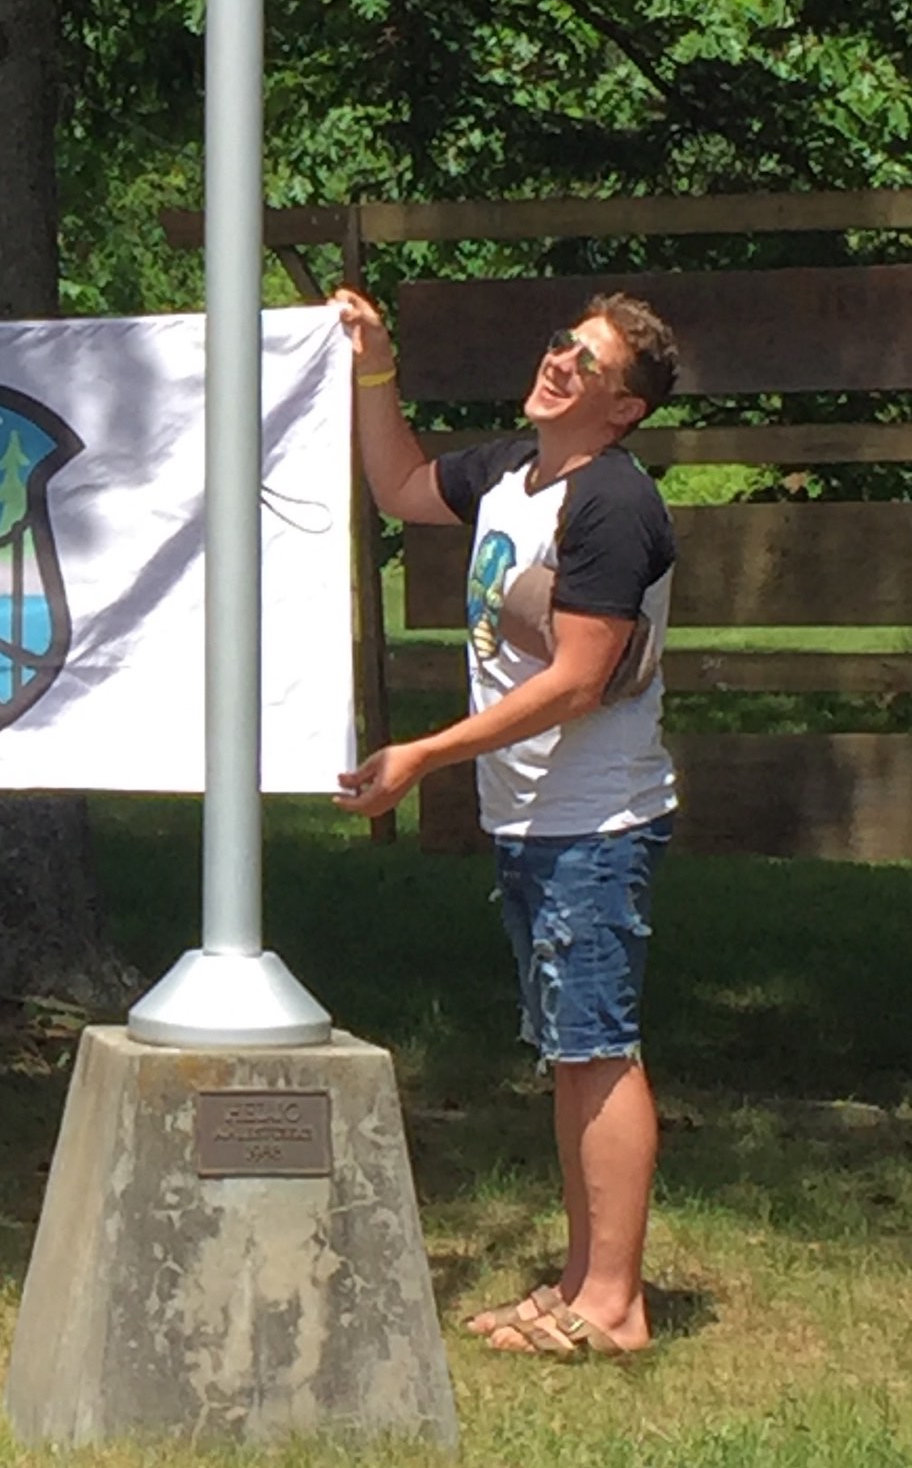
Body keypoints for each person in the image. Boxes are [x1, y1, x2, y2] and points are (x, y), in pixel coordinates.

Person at [331, 285, 678, 1359]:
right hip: (530, 819)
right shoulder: (507, 476)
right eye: (561, 346)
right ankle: (580, 1280)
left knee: (596, 1052)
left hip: (592, 819)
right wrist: (374, 361)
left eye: (589, 363)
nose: (559, 365)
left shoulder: (612, 504)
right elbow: (393, 486)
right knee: (570, 1053)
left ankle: (611, 1305)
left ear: (621, 409)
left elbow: (578, 681)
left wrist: (423, 756)